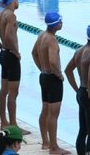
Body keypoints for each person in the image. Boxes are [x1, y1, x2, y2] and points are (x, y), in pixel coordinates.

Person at [0, 0, 28, 132]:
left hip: (4, 55)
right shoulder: (10, 15)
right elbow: (9, 37)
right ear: (13, 0)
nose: (18, 2)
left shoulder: (0, 15)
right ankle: (13, 125)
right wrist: (15, 52)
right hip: (11, 56)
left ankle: (4, 122)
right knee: (13, 92)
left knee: (4, 90)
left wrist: (0, 46)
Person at [31, 12, 70, 154]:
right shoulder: (52, 40)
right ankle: (54, 147)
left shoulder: (42, 35)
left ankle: (45, 142)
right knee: (53, 114)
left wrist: (42, 68)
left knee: (45, 109)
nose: (62, 23)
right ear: (56, 24)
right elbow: (53, 61)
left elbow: (34, 53)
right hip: (53, 79)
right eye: (61, 21)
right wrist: (59, 75)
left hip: (44, 76)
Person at [65, 23, 90, 155]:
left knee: (83, 130)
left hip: (81, 92)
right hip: (89, 95)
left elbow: (68, 70)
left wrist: (77, 89)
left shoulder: (79, 51)